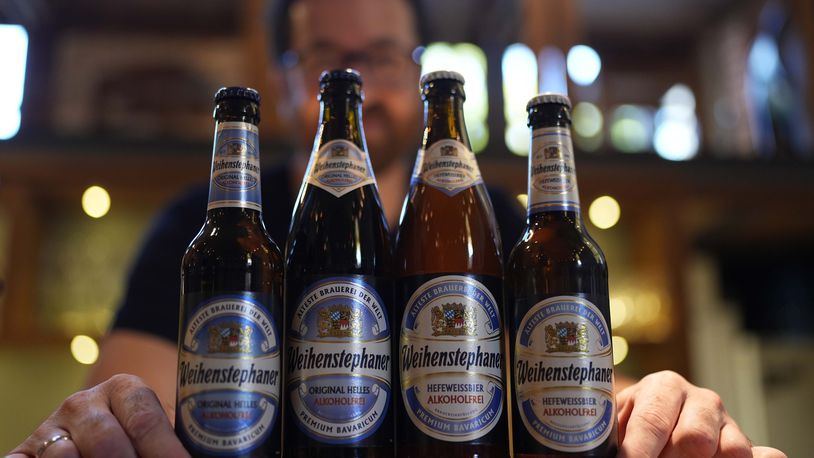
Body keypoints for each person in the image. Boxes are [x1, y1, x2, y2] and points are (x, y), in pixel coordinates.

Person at [8, 0, 786, 457]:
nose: (359, 87)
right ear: (286, 81)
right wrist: (99, 422)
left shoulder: (502, 222)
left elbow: (577, 393)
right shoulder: (206, 223)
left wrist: (664, 410)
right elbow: (137, 395)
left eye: (379, 58)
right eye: (325, 61)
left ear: (416, 75)